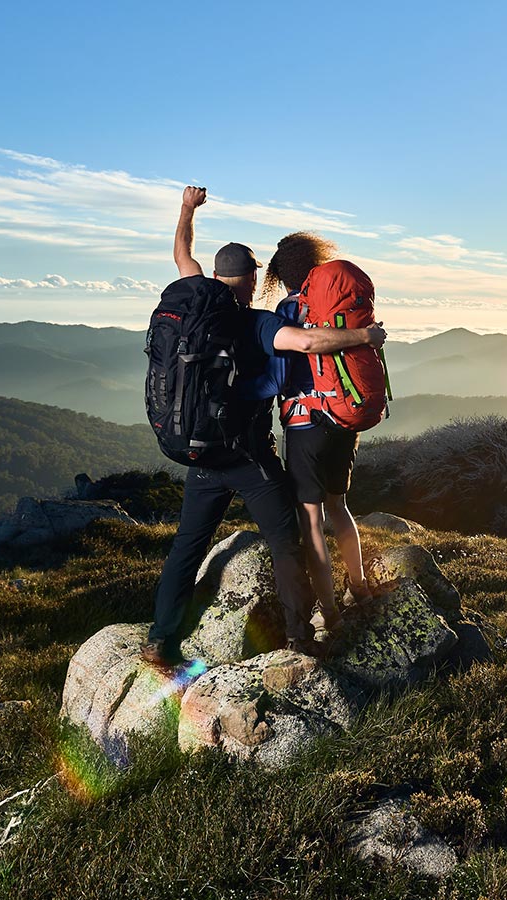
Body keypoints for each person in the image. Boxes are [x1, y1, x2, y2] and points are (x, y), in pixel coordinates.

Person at [142, 186, 386, 668]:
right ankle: (301, 637)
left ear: (215, 276)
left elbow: (180, 253)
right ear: (252, 280)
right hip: (248, 457)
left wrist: (187, 209)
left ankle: (159, 640)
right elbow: (308, 343)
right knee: (285, 539)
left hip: (200, 453)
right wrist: (363, 335)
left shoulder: (194, 299)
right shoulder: (256, 322)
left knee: (187, 549)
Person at [260, 232, 375, 638]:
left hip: (304, 423)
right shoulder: (338, 305)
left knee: (311, 519)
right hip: (343, 415)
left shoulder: (288, 309)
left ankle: (329, 612)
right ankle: (358, 586)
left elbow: (282, 367)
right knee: (339, 506)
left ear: (282, 274)